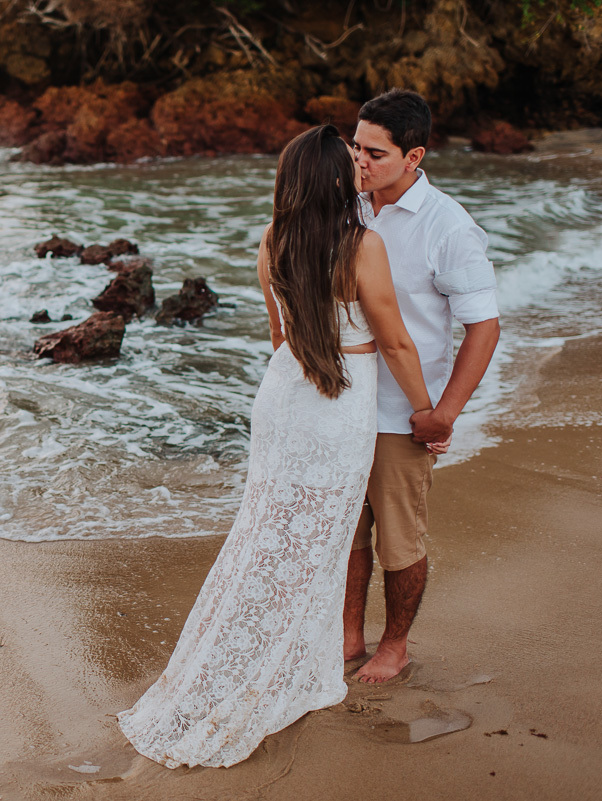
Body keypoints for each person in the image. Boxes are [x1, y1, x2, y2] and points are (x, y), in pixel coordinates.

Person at [117, 124, 434, 768]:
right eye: (350, 161)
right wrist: (428, 413)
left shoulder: (273, 240)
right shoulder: (362, 244)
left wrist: (299, 394)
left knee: (268, 536)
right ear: (331, 178)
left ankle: (258, 653)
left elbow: (279, 333)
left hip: (285, 397)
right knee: (317, 542)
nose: (358, 168)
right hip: (341, 403)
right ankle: (280, 666)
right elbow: (395, 343)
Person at [345, 89, 500, 683]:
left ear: (414, 156)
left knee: (400, 541)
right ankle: (348, 633)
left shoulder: (450, 227)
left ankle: (395, 646)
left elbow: (483, 327)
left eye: (375, 153)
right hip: (343, 404)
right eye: (356, 147)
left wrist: (444, 413)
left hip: (403, 411)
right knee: (348, 531)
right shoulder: (349, 206)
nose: (360, 161)